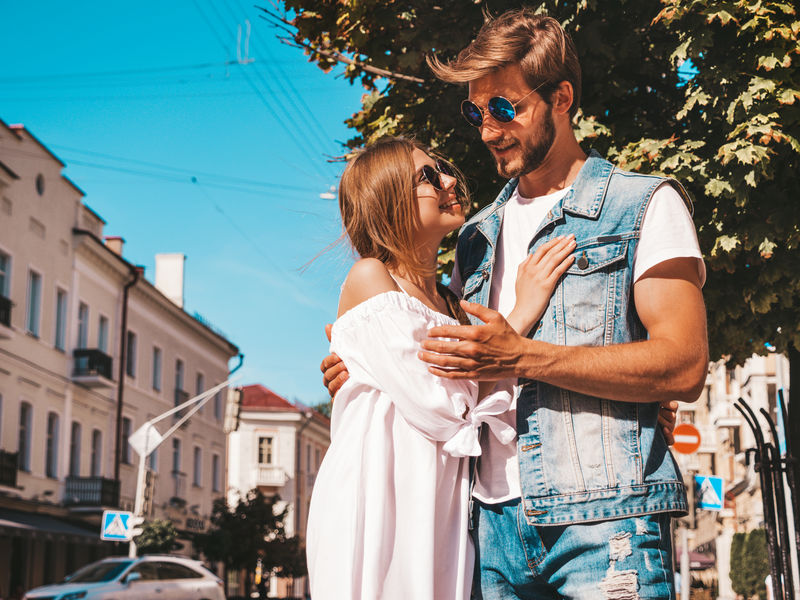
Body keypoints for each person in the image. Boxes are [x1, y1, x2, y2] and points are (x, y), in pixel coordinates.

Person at [321, 9, 708, 599]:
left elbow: (683, 365)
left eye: (505, 108)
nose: (487, 129)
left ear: (561, 97)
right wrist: (364, 371)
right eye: (475, 112)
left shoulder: (641, 205)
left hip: (600, 520)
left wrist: (525, 355)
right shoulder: (473, 239)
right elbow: (442, 372)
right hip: (482, 532)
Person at [306, 136, 577, 600]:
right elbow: (447, 409)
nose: (449, 180)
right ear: (388, 199)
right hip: (378, 504)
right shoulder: (372, 276)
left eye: (442, 169)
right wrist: (522, 312)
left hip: (444, 510)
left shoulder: (454, 305)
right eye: (427, 177)